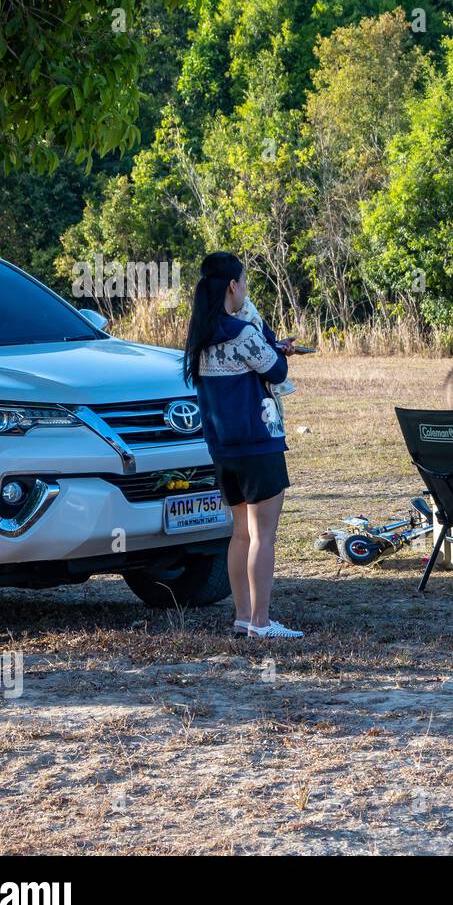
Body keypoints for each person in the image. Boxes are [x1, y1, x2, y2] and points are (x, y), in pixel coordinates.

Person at [183, 252, 302, 639]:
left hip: (222, 448)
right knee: (263, 535)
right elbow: (276, 370)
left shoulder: (200, 336)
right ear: (232, 286)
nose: (245, 289)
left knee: (240, 534)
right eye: (244, 282)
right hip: (257, 444)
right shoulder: (242, 333)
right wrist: (272, 343)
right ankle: (262, 624)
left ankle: (242, 616)